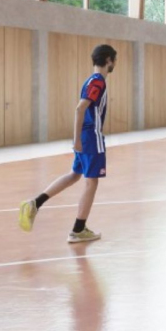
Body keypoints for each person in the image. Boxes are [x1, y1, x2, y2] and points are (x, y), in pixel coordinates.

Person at [18, 44, 117, 243]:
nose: (115, 63)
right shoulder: (98, 82)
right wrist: (77, 139)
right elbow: (80, 108)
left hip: (85, 136)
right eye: (114, 60)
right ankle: (78, 229)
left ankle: (35, 203)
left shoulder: (91, 80)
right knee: (92, 182)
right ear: (108, 60)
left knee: (74, 175)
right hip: (91, 137)